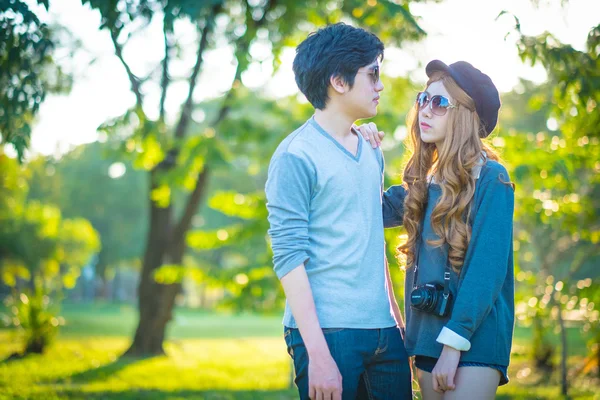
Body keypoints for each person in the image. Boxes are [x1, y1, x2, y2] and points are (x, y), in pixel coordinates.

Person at [265, 23, 412, 400]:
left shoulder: (370, 147)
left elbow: (370, 239)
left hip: (383, 331)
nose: (381, 84)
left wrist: (396, 321)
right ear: (339, 82)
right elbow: (288, 257)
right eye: (373, 73)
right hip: (327, 334)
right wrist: (318, 355)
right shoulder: (296, 155)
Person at [358, 60, 515, 400]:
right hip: (426, 335)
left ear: (465, 115)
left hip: (473, 339)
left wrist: (454, 345)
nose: (425, 110)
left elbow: (487, 271)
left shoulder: (492, 178)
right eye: (423, 99)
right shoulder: (424, 182)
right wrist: (361, 152)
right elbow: (365, 211)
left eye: (440, 103)